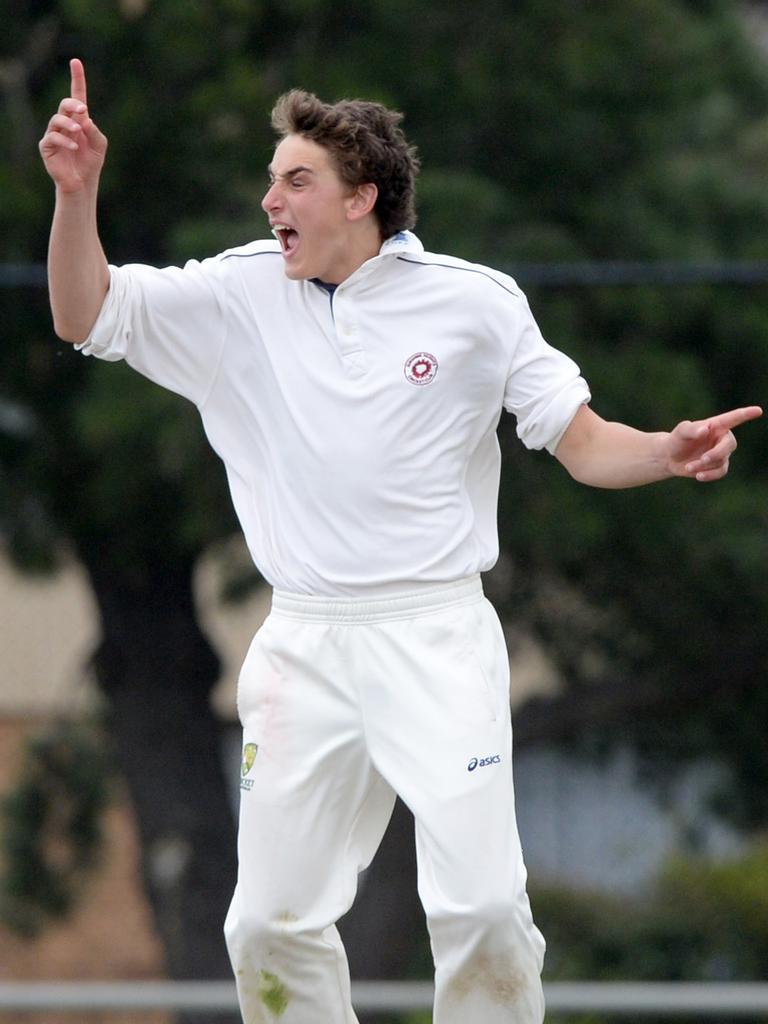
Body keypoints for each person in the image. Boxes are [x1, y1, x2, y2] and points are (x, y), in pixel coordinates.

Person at [40, 58, 761, 1024]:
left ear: (364, 197)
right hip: (303, 645)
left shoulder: (477, 303)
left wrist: (667, 453)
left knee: (486, 908)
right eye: (270, 178)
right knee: (264, 927)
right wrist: (76, 194)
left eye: (296, 181)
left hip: (436, 637)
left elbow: (585, 446)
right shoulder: (236, 294)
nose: (270, 201)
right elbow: (82, 313)